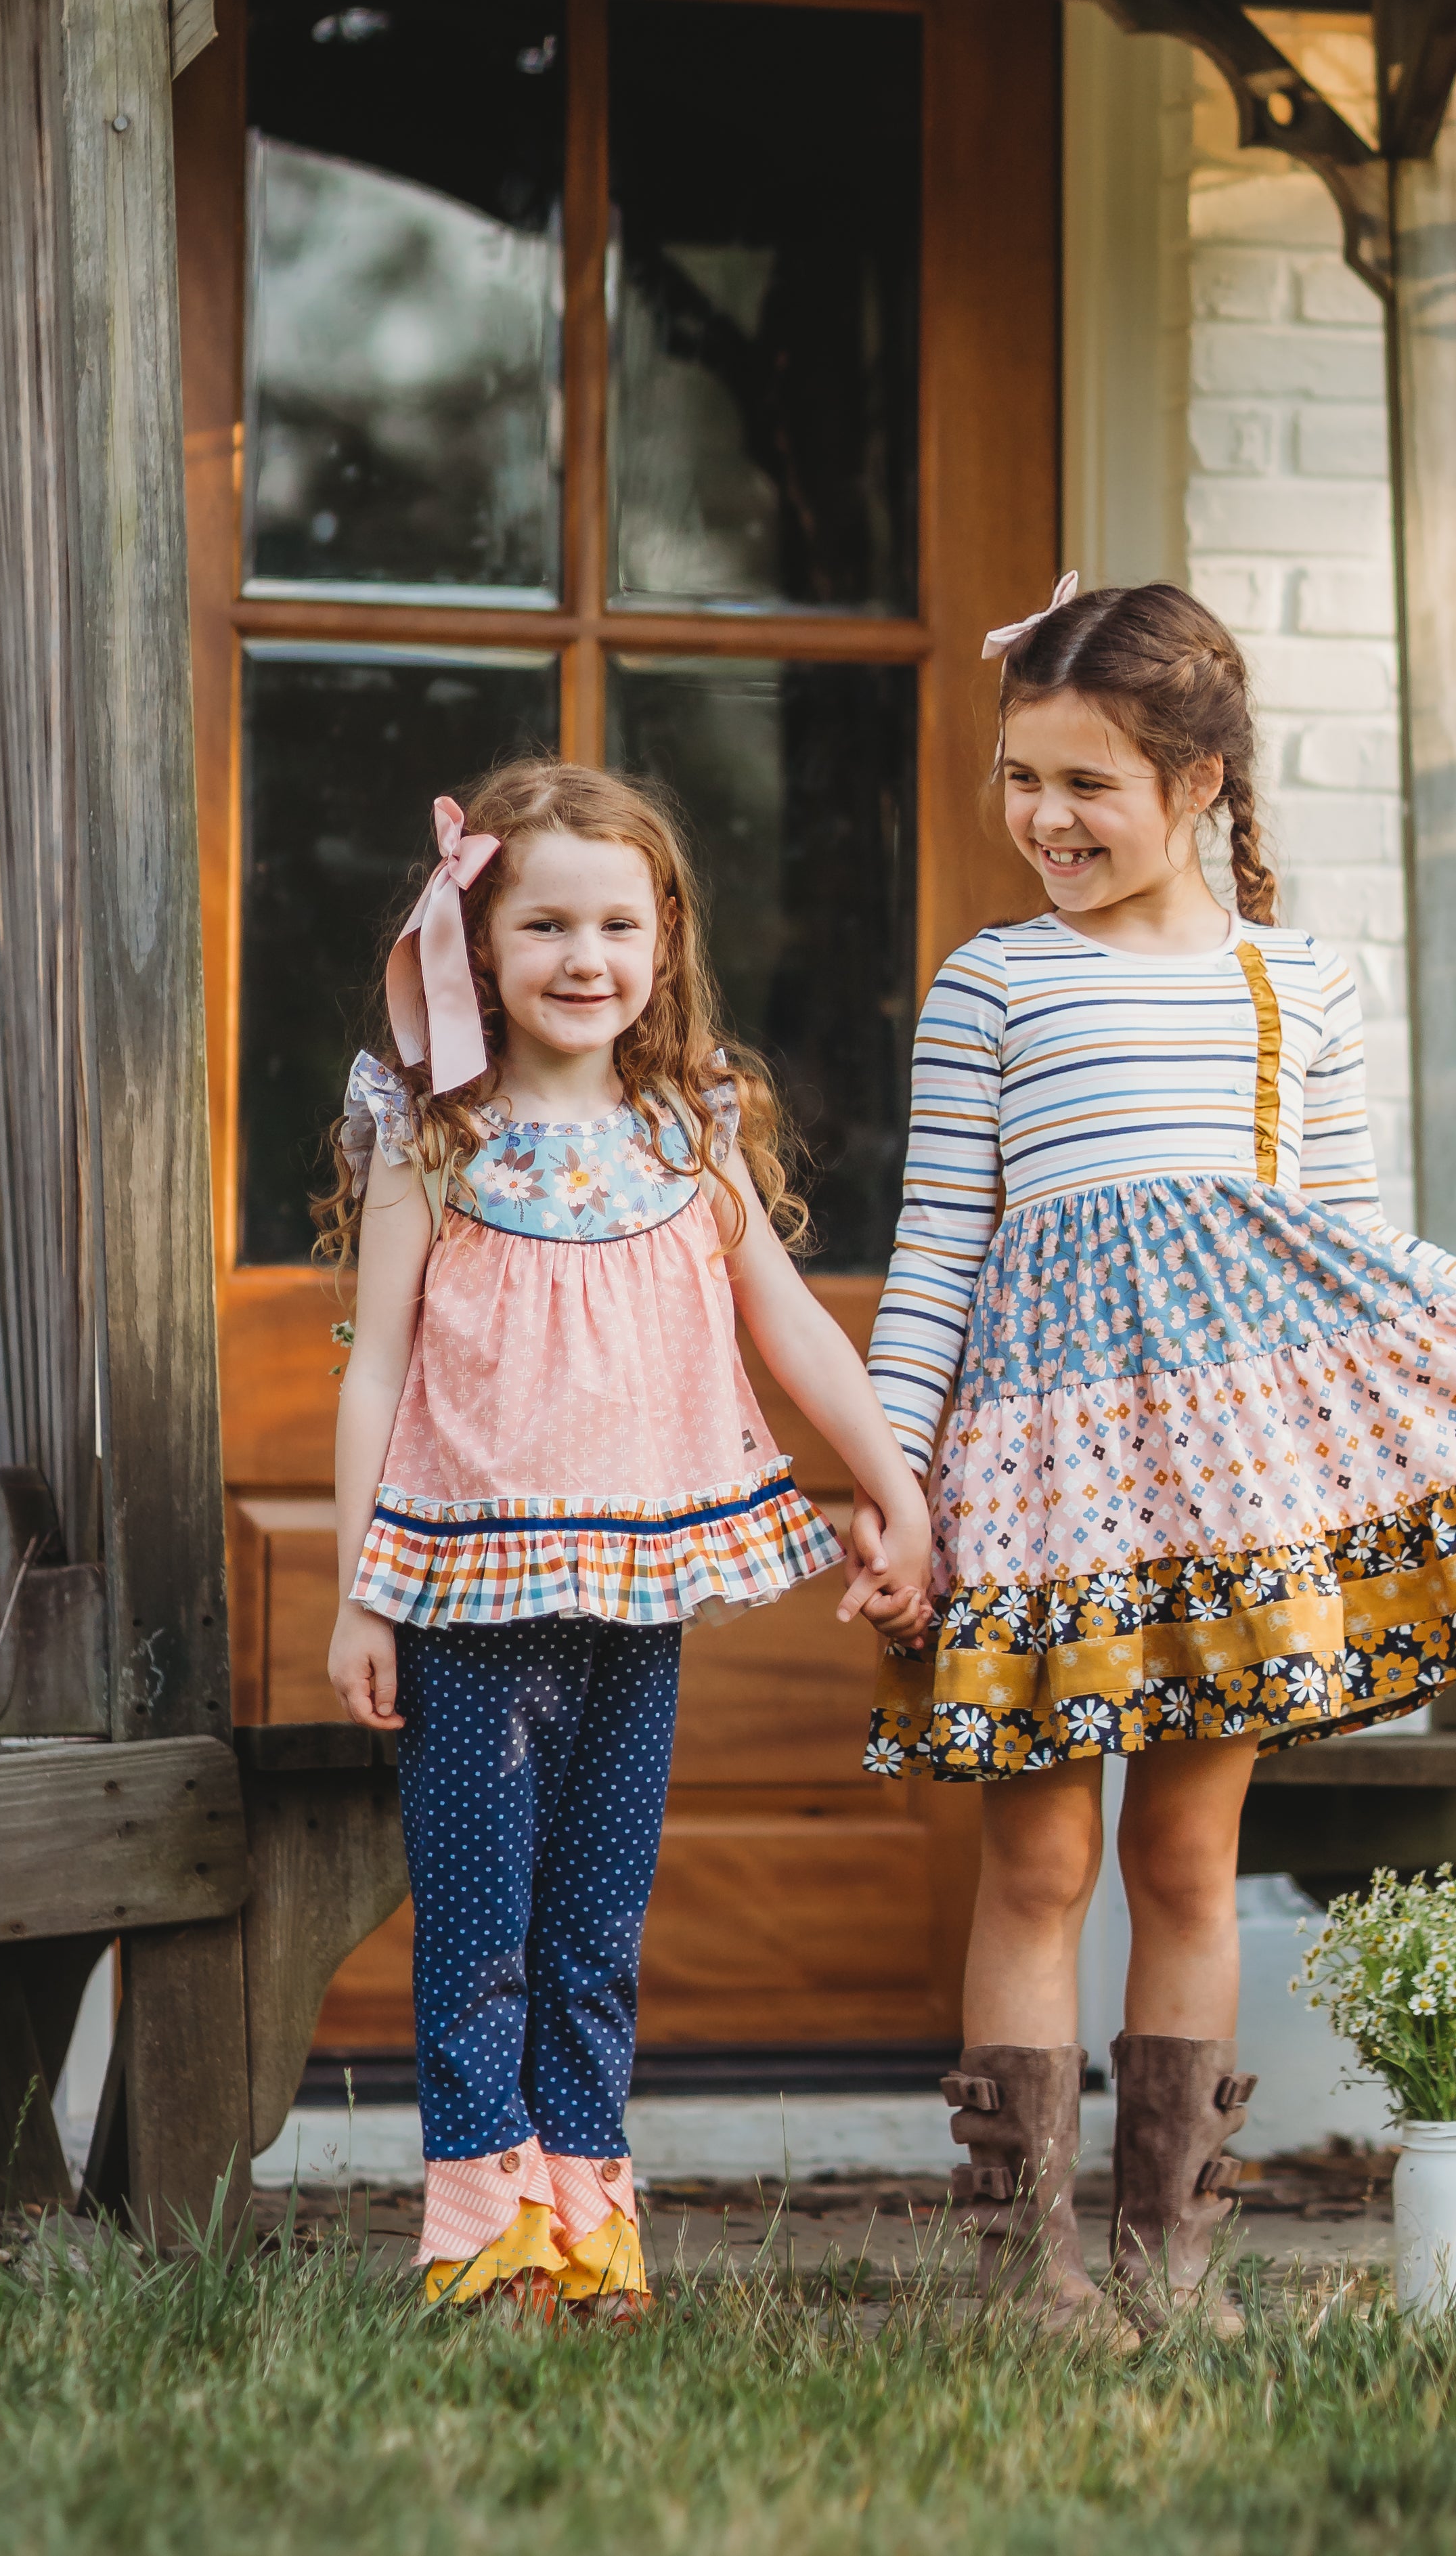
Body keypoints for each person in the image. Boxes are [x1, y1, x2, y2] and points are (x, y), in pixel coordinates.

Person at [860, 582, 1456, 2337]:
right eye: (1017, 775)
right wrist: (894, 1490)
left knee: (1188, 1866)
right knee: (1035, 1865)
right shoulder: (991, 989)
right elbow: (931, 1262)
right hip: (1034, 1501)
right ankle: (1019, 2268)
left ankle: (1167, 2261)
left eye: (1086, 783)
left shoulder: (1296, 992)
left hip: (1231, 1502)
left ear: (1198, 782)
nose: (1041, 816)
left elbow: (1353, 1260)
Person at [320, 760, 933, 2317]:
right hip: (465, 1591)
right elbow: (378, 1364)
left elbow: (786, 1319)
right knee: (478, 1926)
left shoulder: (686, 1123)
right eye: (543, 923)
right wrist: (359, 1593)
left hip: (634, 1594)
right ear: (478, 941)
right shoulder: (433, 1131)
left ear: (663, 933)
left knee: (596, 1922)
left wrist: (895, 1485)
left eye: (617, 919)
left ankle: (591, 2228)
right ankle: (479, 2232)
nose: (584, 956)